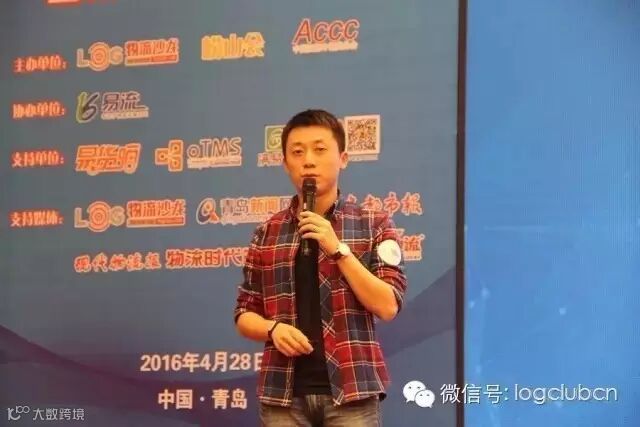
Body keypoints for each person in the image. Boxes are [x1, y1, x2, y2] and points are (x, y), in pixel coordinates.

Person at [234, 109, 407, 426]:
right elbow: (245, 314)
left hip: (352, 393)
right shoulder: (267, 232)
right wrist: (273, 329)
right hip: (283, 396)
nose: (308, 161)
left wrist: (338, 249)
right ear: (285, 164)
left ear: (343, 159)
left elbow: (387, 305)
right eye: (297, 152)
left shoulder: (374, 225)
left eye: (319, 149)